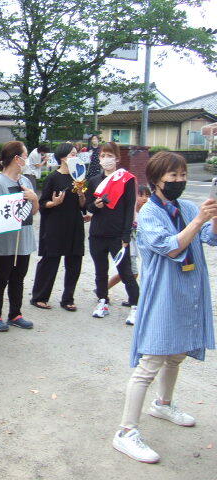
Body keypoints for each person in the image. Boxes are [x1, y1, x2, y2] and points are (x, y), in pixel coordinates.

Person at [112, 151, 217, 464]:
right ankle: (126, 432)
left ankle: (163, 404)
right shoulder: (149, 213)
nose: (179, 181)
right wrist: (199, 220)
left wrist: (213, 219)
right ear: (157, 179)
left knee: (177, 353)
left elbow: (209, 238)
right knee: (151, 362)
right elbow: (171, 247)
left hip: (188, 291)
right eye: (173, 176)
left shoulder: (186, 207)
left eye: (183, 175)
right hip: (163, 294)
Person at [0, 141, 39, 332]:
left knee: (19, 277)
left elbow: (34, 211)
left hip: (23, 238)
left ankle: (15, 314)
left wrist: (34, 199)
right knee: (0, 278)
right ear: (17, 158)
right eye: (25, 156)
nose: (27, 159)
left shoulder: (26, 182)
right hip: (4, 240)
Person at [85, 141, 140, 324]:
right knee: (100, 271)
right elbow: (88, 207)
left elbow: (129, 208)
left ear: (117, 158)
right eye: (103, 155)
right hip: (97, 233)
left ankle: (135, 305)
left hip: (117, 235)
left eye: (109, 156)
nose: (106, 159)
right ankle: (103, 301)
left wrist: (126, 235)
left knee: (125, 272)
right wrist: (96, 205)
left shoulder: (127, 179)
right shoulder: (94, 181)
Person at [30, 142, 86, 312]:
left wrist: (81, 194)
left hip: (74, 224)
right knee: (50, 260)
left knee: (74, 261)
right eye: (72, 154)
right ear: (62, 157)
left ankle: (68, 298)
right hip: (55, 224)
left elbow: (83, 205)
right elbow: (42, 203)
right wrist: (54, 203)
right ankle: (39, 297)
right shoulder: (53, 178)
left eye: (76, 154)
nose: (75, 157)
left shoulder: (79, 178)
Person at [108, 185, 151, 308]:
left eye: (147, 196)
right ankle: (133, 299)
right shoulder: (131, 211)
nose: (144, 198)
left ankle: (103, 289)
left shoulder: (147, 212)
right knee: (132, 274)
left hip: (135, 247)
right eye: (141, 195)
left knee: (127, 273)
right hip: (127, 246)